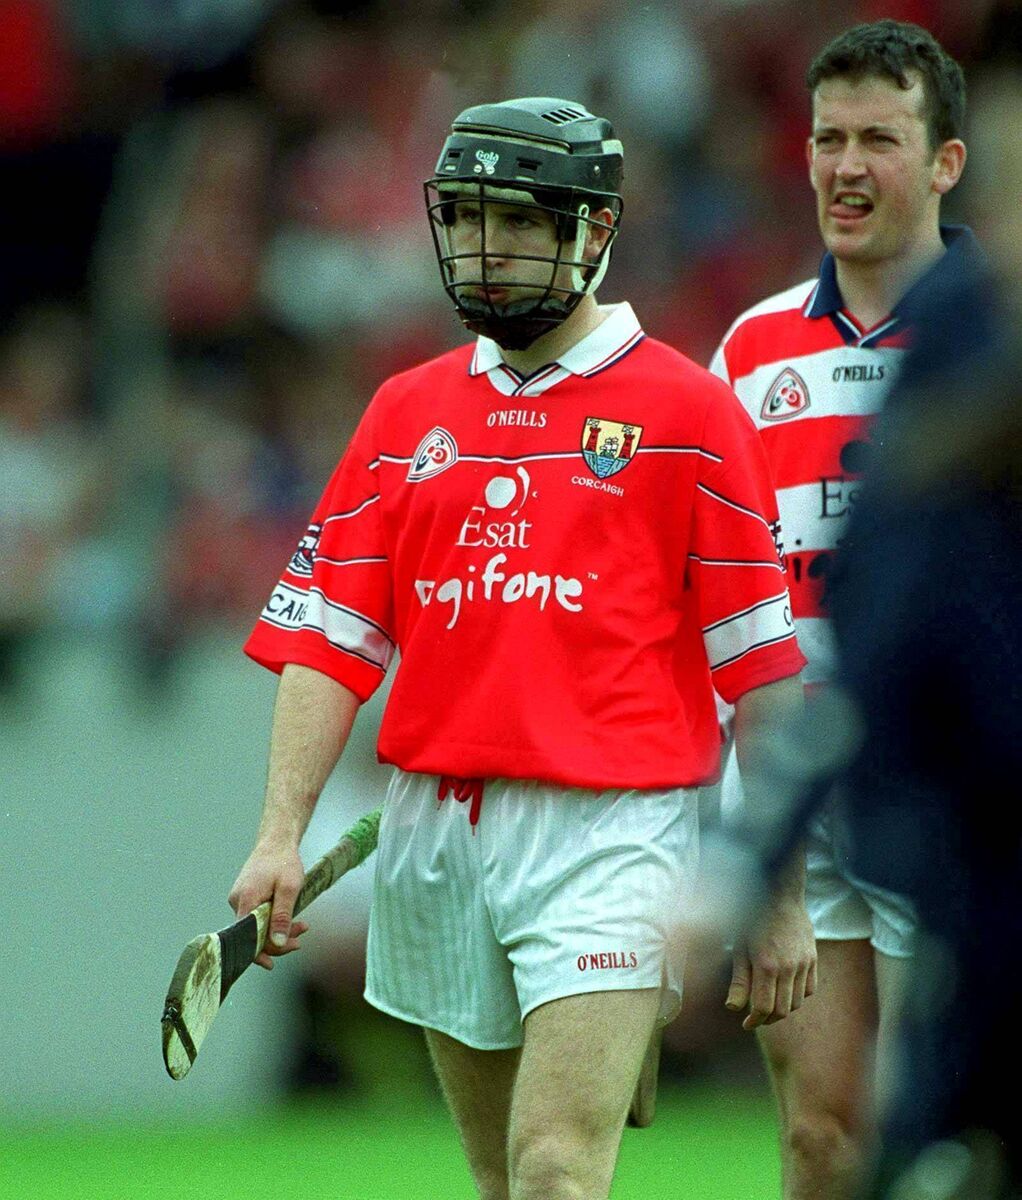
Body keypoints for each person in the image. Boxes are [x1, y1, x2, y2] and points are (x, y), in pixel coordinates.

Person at [228, 97, 814, 1200]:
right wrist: (278, 834)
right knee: (500, 1180)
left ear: (593, 233)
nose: (483, 252)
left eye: (518, 223)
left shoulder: (688, 411)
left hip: (611, 832)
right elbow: (331, 643)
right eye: (464, 220)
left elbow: (762, 674)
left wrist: (775, 889)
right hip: (434, 834)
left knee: (555, 1170)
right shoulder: (403, 412)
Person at [709, 20, 972, 1200]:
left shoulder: (992, 334)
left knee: (951, 1129)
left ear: (946, 162)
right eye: (827, 139)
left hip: (953, 785)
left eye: (879, 138)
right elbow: (711, 595)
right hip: (798, 772)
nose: (844, 167)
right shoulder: (749, 352)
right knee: (822, 1135)